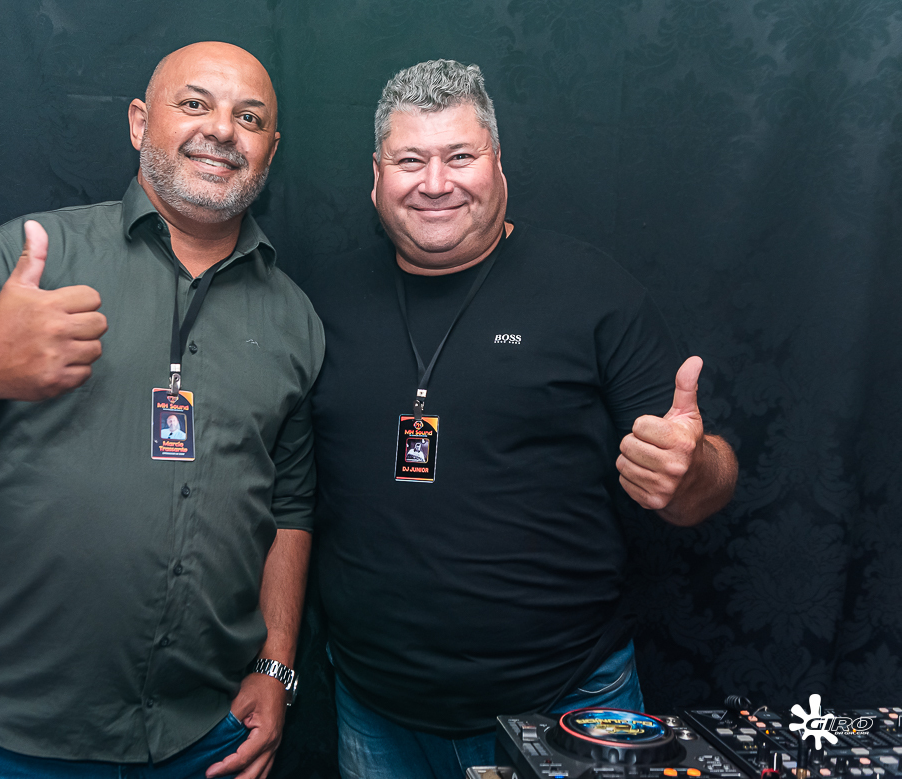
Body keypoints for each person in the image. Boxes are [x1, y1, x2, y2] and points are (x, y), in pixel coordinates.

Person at [0, 42, 323, 779]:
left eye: (249, 117)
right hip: (9, 738)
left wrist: (276, 665)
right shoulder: (33, 258)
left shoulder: (294, 317)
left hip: (204, 737)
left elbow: (291, 506)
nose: (221, 129)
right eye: (194, 104)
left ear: (270, 147)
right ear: (139, 122)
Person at [301, 60, 738, 778]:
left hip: (569, 704)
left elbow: (702, 487)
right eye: (409, 160)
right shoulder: (321, 304)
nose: (435, 182)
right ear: (375, 177)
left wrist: (689, 471)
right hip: (375, 710)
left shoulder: (591, 290)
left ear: (498, 164)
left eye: (459, 156)